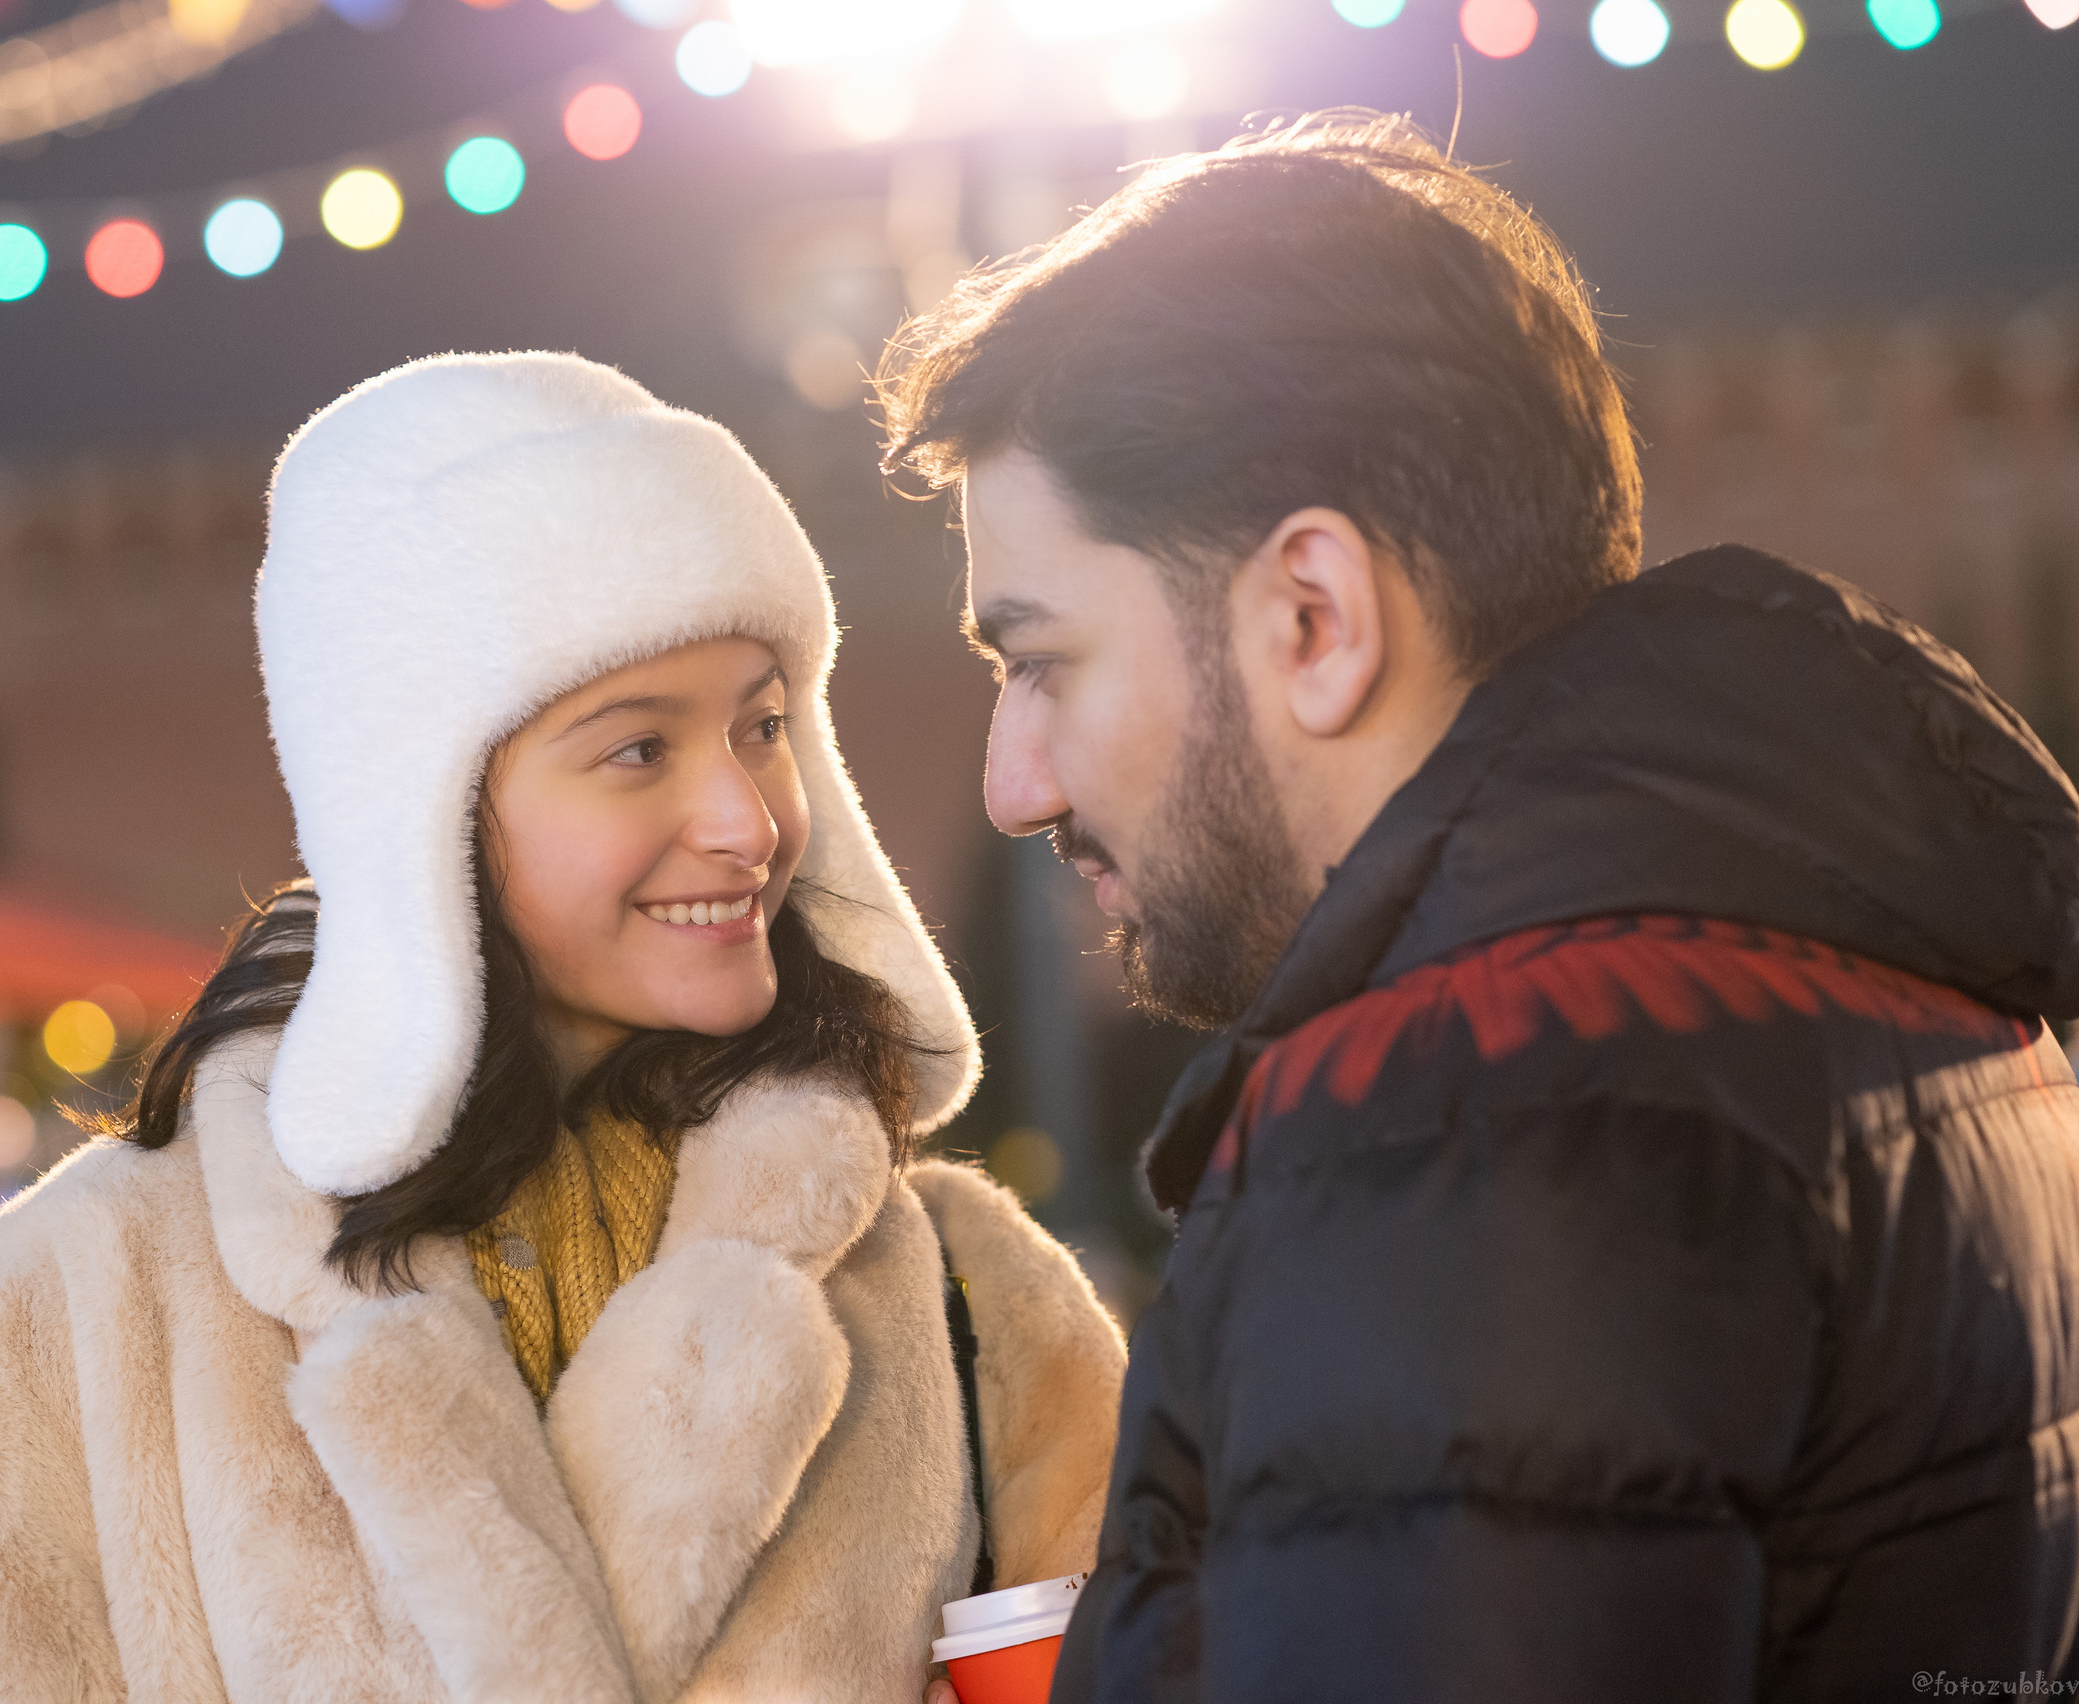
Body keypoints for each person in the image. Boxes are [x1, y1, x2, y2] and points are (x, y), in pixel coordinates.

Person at [0, 352, 1126, 1701]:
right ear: (424, 812)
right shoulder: (104, 1297)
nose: (746, 819)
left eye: (763, 725)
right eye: (638, 749)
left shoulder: (968, 1301)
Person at [878, 113, 2079, 1696]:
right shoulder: (1897, 983)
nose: (1013, 784)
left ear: (1313, 617)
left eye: (1043, 662)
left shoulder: (1469, 1115)